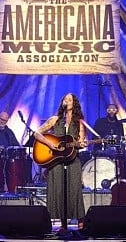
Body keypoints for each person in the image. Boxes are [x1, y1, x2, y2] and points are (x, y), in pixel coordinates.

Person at [33, 93, 86, 233]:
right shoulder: (55, 119)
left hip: (72, 158)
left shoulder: (79, 122)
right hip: (55, 160)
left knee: (74, 190)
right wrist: (49, 144)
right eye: (65, 99)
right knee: (58, 189)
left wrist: (81, 144)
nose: (67, 101)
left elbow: (81, 142)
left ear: (74, 104)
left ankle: (81, 221)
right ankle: (63, 224)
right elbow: (37, 133)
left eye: (70, 100)